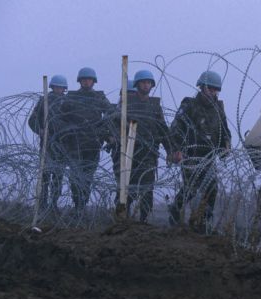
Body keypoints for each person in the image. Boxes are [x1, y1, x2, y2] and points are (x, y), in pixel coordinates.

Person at [168, 70, 231, 232]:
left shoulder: (218, 108)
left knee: (212, 188)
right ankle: (175, 209)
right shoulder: (189, 105)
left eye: (215, 90)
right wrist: (176, 149)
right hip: (191, 153)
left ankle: (204, 222)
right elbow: (176, 128)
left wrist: (226, 145)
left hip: (209, 155)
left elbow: (224, 130)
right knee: (191, 187)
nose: (213, 92)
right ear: (201, 87)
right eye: (210, 89)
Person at [110, 70, 171, 222]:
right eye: (143, 82)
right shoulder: (126, 103)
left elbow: (162, 129)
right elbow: (113, 122)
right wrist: (113, 137)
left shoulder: (154, 106)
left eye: (148, 83)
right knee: (126, 188)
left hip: (149, 153)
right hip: (128, 153)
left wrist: (171, 149)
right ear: (137, 84)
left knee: (147, 189)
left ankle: (143, 220)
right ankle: (122, 219)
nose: (146, 85)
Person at [61, 67, 112, 216]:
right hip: (74, 143)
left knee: (88, 177)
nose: (86, 81)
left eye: (89, 79)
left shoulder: (99, 97)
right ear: (80, 81)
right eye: (84, 79)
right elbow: (61, 117)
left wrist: (106, 134)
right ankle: (77, 204)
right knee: (75, 176)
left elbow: (110, 113)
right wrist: (67, 130)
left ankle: (82, 205)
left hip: (92, 143)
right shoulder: (71, 97)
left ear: (93, 81)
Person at [28, 74, 69, 214]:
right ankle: (43, 203)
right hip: (46, 144)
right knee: (45, 175)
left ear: (64, 89)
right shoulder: (44, 101)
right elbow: (32, 119)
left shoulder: (68, 102)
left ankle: (53, 204)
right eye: (57, 87)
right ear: (52, 87)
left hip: (62, 145)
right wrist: (39, 130)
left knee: (58, 176)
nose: (59, 89)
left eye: (61, 87)